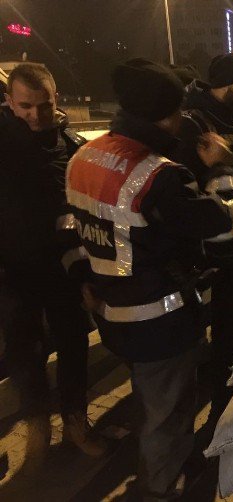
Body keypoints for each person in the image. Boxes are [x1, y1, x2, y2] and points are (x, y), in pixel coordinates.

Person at [65, 58, 233, 498]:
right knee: (165, 413)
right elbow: (224, 221)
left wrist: (80, 278)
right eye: (178, 111)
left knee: (154, 402)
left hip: (110, 314)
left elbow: (70, 226)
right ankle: (162, 487)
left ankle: (166, 464)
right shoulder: (157, 175)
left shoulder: (84, 156)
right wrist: (225, 169)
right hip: (158, 323)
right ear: (164, 114)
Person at [0, 62, 106, 458]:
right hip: (13, 272)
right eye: (25, 106)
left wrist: (84, 273)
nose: (35, 115)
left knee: (74, 345)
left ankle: (76, 423)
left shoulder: (73, 146)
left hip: (64, 269)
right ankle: (37, 426)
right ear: (10, 101)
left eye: (43, 105)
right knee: (24, 353)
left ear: (56, 99)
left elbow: (81, 213)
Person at [176, 52, 233, 424]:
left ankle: (222, 414)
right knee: (198, 342)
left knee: (230, 337)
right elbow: (182, 198)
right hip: (207, 261)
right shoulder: (191, 125)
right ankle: (209, 420)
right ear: (222, 85)